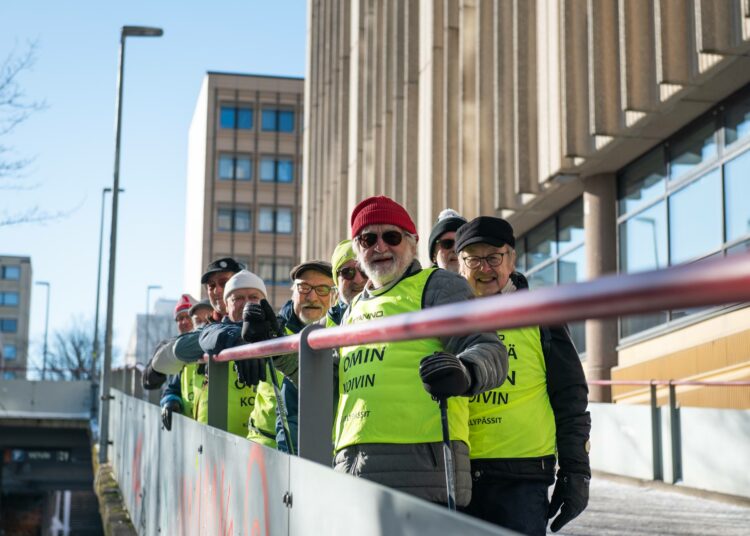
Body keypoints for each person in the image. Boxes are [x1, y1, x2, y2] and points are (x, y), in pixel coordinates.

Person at [332, 195, 508, 507]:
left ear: (412, 244)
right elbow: (332, 377)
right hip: (354, 467)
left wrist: (465, 371)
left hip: (423, 470)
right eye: (368, 238)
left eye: (392, 236)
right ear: (357, 250)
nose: (380, 247)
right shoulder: (352, 309)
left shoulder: (437, 285)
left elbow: (488, 348)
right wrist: (277, 351)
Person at [454, 216, 591, 535]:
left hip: (522, 479)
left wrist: (576, 472)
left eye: (493, 257)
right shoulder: (444, 319)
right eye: (474, 259)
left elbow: (570, 396)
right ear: (460, 265)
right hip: (457, 474)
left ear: (511, 259)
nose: (484, 268)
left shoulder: (541, 314)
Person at [246, 261, 335, 453]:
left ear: (334, 295)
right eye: (304, 288)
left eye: (322, 289)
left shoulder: (341, 333)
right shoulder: (272, 331)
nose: (311, 296)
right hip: (267, 452)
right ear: (293, 292)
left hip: (325, 453)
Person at [160, 258, 243, 431]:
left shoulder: (263, 325)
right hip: (205, 440)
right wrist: (170, 400)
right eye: (211, 286)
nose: (217, 290)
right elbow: (181, 349)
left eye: (224, 282)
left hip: (253, 446)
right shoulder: (207, 330)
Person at [142, 294, 196, 390]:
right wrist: (159, 365)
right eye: (180, 318)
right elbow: (148, 382)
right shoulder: (169, 347)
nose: (184, 322)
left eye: (188, 316)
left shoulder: (207, 342)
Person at [327, 240, 367, 326]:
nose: (358, 280)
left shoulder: (391, 314)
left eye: (364, 270)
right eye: (347, 272)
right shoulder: (319, 330)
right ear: (336, 280)